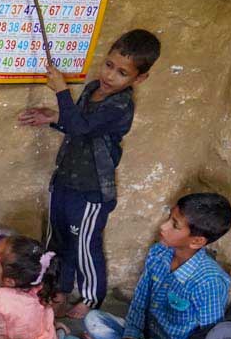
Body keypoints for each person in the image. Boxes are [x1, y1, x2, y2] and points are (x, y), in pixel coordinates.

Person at [17, 29, 161, 315]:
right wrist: (53, 118)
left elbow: (82, 127)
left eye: (122, 73)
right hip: (66, 178)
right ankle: (59, 287)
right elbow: (79, 124)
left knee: (84, 245)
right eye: (109, 65)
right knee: (58, 238)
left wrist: (61, 90)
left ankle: (91, 297)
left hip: (92, 188)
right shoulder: (94, 88)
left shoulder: (121, 104)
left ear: (139, 78)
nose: (110, 76)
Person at [84, 192, 231, 339]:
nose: (163, 226)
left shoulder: (210, 282)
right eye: (169, 217)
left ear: (197, 241)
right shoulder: (159, 253)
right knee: (93, 320)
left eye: (174, 225)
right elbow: (140, 301)